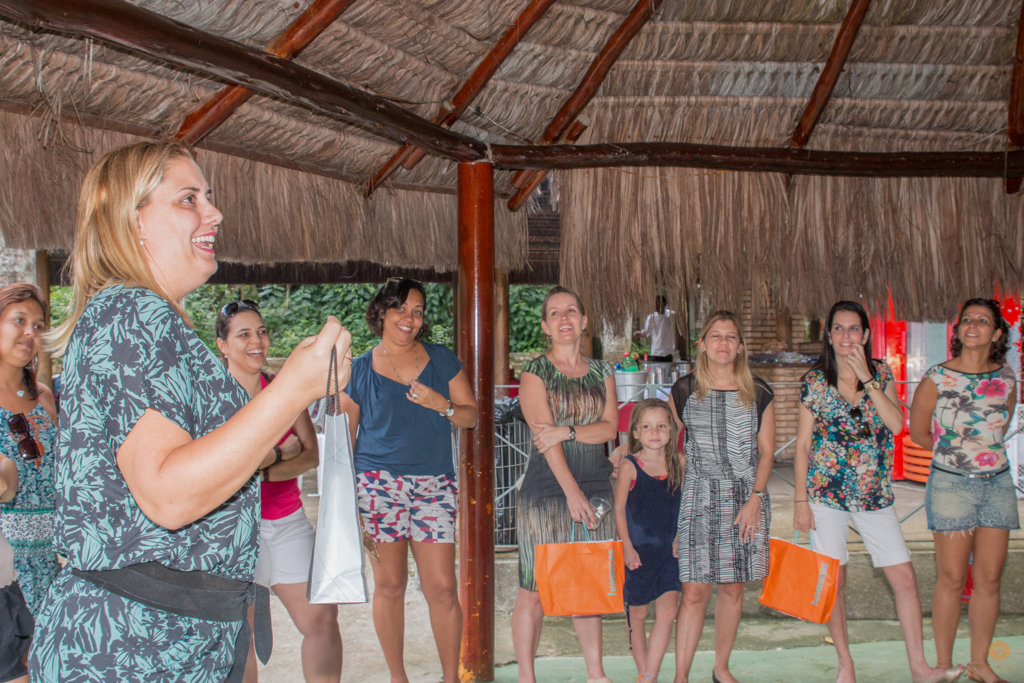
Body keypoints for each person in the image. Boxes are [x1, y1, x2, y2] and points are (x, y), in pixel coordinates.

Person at [30, 141, 352, 683]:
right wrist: (291, 389)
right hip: (133, 645)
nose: (214, 212)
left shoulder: (147, 319)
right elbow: (168, 494)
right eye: (188, 199)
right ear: (133, 223)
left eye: (209, 196)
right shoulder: (134, 313)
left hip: (165, 638)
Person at [796, 300, 962, 683]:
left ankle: (920, 668)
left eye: (854, 329)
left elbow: (897, 424)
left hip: (873, 494)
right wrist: (800, 500)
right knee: (833, 580)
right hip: (825, 494)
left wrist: (867, 380)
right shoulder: (815, 381)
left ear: (866, 335)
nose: (845, 336)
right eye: (838, 328)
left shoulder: (883, 373)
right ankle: (845, 665)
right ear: (829, 334)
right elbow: (803, 445)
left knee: (903, 577)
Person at [340, 278, 477, 683]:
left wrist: (443, 405)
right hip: (377, 487)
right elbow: (344, 444)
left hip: (435, 485)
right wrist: (350, 507)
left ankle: (450, 678)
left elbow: (471, 416)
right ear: (381, 312)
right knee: (390, 586)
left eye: (417, 311)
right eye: (401, 308)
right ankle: (398, 678)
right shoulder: (359, 370)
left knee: (443, 589)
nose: (409, 318)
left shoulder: (441, 359)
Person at [216, 300, 343, 683]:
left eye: (262, 332)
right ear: (222, 344)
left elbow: (309, 455)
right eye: (244, 334)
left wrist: (261, 471)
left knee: (322, 619)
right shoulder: (212, 396)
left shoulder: (282, 389)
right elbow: (222, 466)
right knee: (241, 635)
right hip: (232, 529)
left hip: (286, 520)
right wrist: (275, 452)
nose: (257, 341)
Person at [512, 285, 619, 683]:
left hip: (596, 484)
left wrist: (569, 431)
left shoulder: (602, 372)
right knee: (534, 585)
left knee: (587, 582)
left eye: (571, 311)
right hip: (547, 489)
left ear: (584, 321)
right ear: (545, 326)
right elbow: (544, 437)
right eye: (555, 313)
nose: (564, 319)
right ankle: (527, 676)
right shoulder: (534, 372)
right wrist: (571, 492)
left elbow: (610, 426)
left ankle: (596, 674)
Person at [910, 298, 1018, 683]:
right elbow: (921, 433)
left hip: (999, 485)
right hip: (950, 486)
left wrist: (981, 458)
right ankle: (943, 665)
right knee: (952, 578)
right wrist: (959, 457)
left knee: (989, 579)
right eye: (967, 320)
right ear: (957, 331)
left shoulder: (1007, 378)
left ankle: (979, 664)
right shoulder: (936, 378)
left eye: (983, 321)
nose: (973, 325)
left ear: (997, 333)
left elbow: (998, 431)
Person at [670, 311, 774, 683]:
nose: (724, 344)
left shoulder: (758, 391)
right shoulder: (684, 389)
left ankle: (721, 668)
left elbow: (766, 452)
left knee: (732, 588)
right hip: (698, 496)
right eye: (716, 336)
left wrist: (755, 500)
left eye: (731, 337)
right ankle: (681, 675)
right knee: (694, 590)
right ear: (702, 343)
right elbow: (671, 448)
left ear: (741, 346)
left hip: (745, 498)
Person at [614, 398, 683, 683]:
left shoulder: (680, 463)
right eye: (647, 426)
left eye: (662, 426)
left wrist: (681, 537)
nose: (655, 432)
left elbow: (687, 505)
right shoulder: (630, 466)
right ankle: (643, 672)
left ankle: (651, 674)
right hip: (639, 552)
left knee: (668, 612)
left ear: (672, 431)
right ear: (636, 432)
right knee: (639, 615)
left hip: (671, 551)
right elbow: (619, 509)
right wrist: (627, 547)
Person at [0, 283, 59, 616]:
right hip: (5, 562)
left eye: (37, 326)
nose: (29, 333)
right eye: (18, 321)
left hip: (52, 560)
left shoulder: (44, 396)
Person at [634, 296, 678, 362]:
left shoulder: (672, 315)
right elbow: (645, 333)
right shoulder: (651, 317)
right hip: (656, 353)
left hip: (669, 352)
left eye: (657, 303)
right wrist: (639, 334)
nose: (655, 305)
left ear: (663, 304)